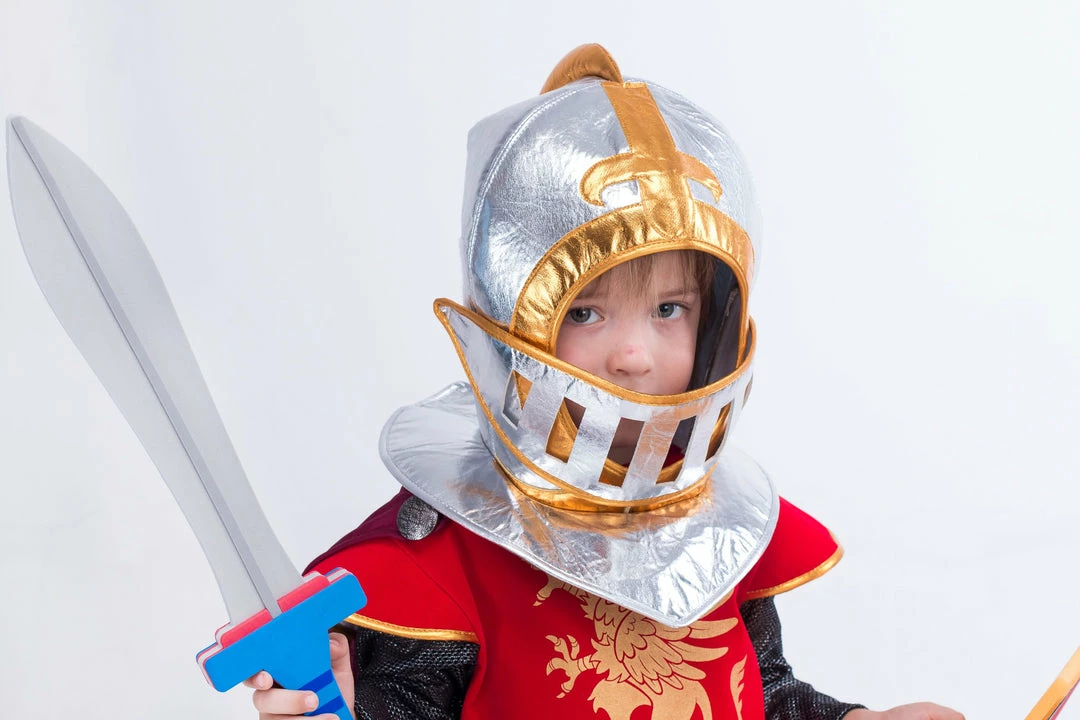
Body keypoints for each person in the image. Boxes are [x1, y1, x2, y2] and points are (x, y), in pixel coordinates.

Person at [246, 45, 964, 720]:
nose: (634, 355)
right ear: (513, 324)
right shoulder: (439, 563)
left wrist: (854, 718)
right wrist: (343, 706)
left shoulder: (717, 525)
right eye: (587, 312)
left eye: (669, 309)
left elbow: (760, 692)